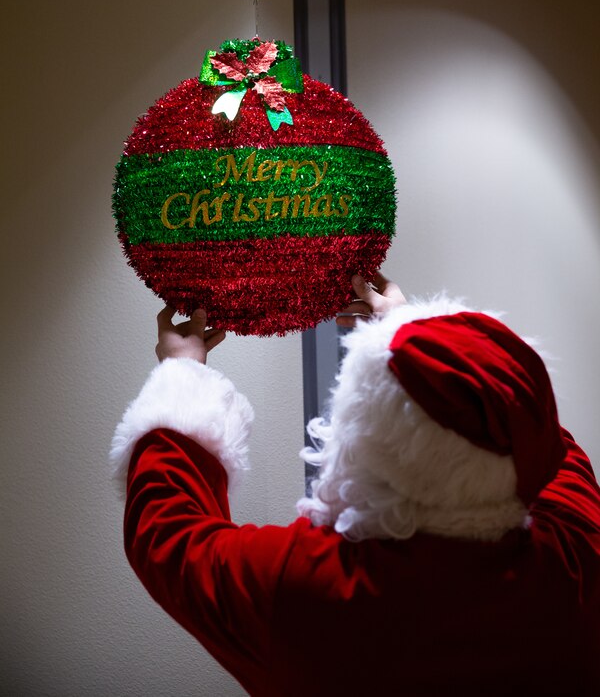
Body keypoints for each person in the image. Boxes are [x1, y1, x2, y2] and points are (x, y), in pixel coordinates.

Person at [110, 275, 600, 696]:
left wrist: (182, 372)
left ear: (359, 430)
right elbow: (535, 434)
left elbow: (169, 537)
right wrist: (417, 337)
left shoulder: (307, 588)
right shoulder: (573, 558)